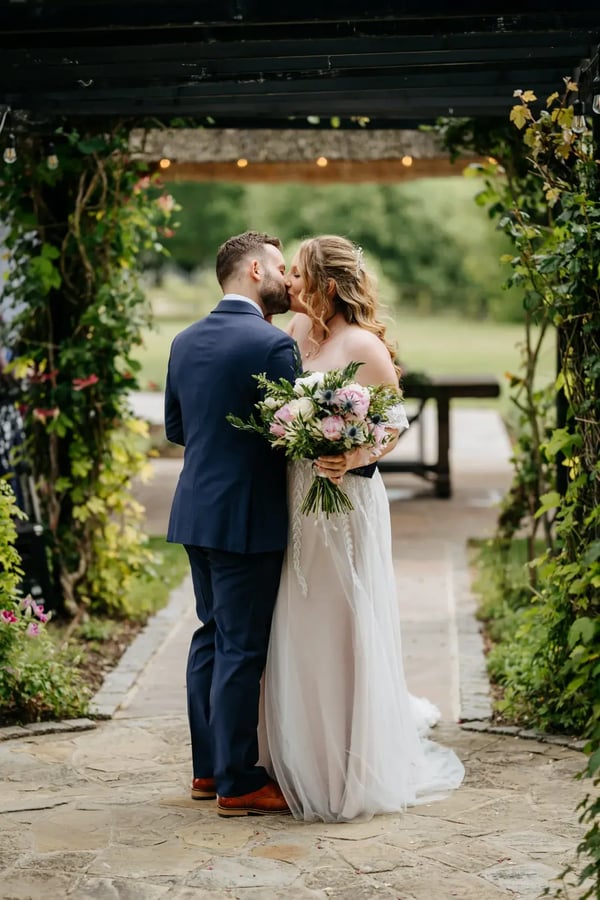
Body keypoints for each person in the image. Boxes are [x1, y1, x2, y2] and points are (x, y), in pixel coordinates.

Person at [261, 235, 465, 822]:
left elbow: (392, 422)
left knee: (341, 614)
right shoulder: (295, 337)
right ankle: (291, 755)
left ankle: (345, 764)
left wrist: (352, 458)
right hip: (298, 497)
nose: (290, 284)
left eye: (298, 274)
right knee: (294, 615)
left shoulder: (363, 346)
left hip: (345, 503)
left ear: (326, 285)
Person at [165, 231, 299, 817]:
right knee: (242, 647)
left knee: (211, 637)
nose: (285, 278)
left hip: (195, 508)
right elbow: (295, 438)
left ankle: (206, 771)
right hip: (247, 516)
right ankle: (239, 780)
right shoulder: (271, 345)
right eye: (276, 266)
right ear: (251, 271)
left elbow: (176, 428)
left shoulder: (183, 340)